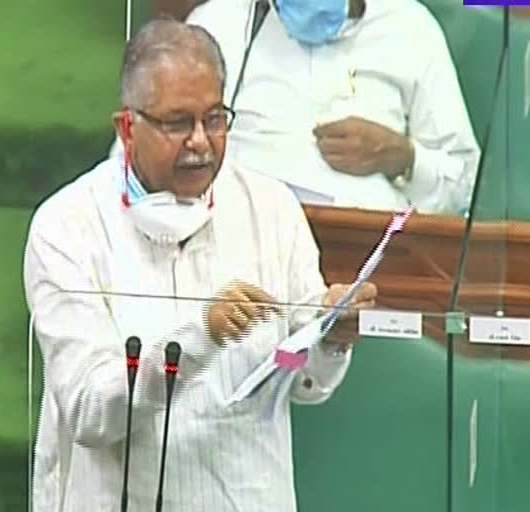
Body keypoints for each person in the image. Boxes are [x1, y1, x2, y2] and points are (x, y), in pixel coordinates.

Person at [23, 18, 376, 512]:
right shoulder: (67, 226)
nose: (201, 142)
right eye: (177, 123)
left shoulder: (270, 209)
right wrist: (200, 337)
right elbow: (89, 410)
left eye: (214, 118)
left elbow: (295, 376)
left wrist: (329, 335)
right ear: (127, 128)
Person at [184, 0, 480, 214]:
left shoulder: (411, 29)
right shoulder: (216, 26)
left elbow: (464, 187)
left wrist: (403, 158)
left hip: (375, 260)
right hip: (243, 254)